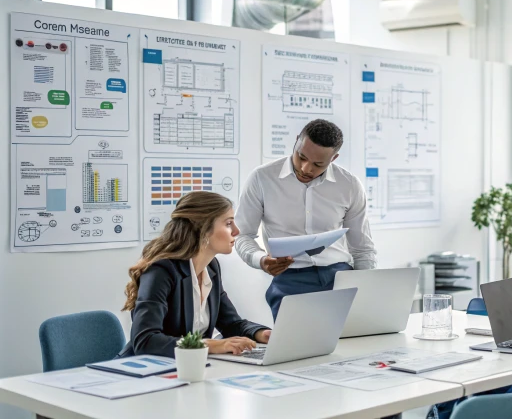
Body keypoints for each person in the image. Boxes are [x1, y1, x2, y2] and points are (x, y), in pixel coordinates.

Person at [235, 119, 377, 320]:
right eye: (301, 156)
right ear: (296, 142)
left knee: (354, 346)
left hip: (341, 277)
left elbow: (362, 248)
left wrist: (365, 289)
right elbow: (242, 235)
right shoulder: (262, 178)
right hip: (290, 278)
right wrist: (261, 260)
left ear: (334, 158)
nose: (306, 168)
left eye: (318, 164)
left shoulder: (350, 185)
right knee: (296, 348)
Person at [118, 191, 270, 358]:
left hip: (188, 369)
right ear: (203, 229)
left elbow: (231, 323)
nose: (236, 231)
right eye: (228, 224)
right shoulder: (161, 271)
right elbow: (145, 341)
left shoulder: (211, 268)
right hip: (143, 372)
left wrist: (262, 333)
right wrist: (209, 345)